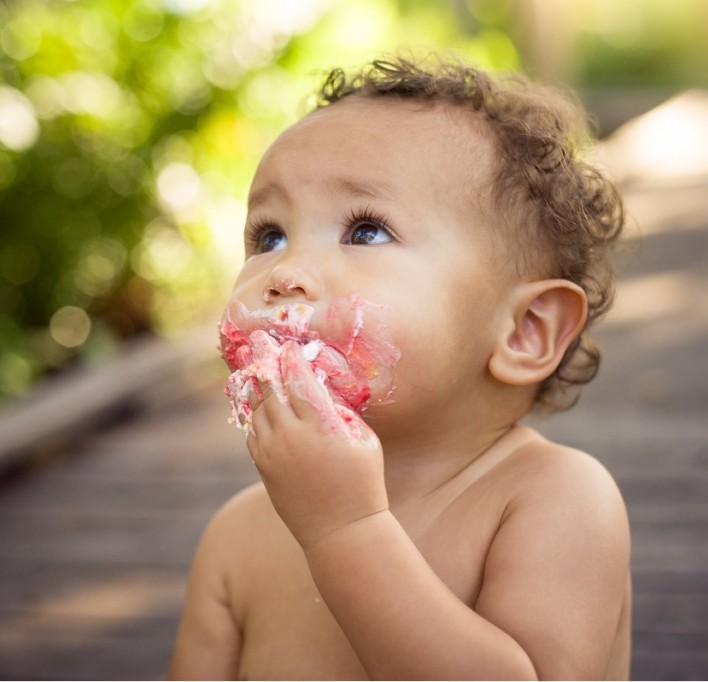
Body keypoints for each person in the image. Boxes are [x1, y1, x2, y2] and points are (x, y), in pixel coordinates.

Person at [169, 53, 631, 680]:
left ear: (526, 330)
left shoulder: (555, 501)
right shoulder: (237, 538)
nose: (285, 273)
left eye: (365, 231)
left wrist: (345, 530)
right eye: (269, 235)